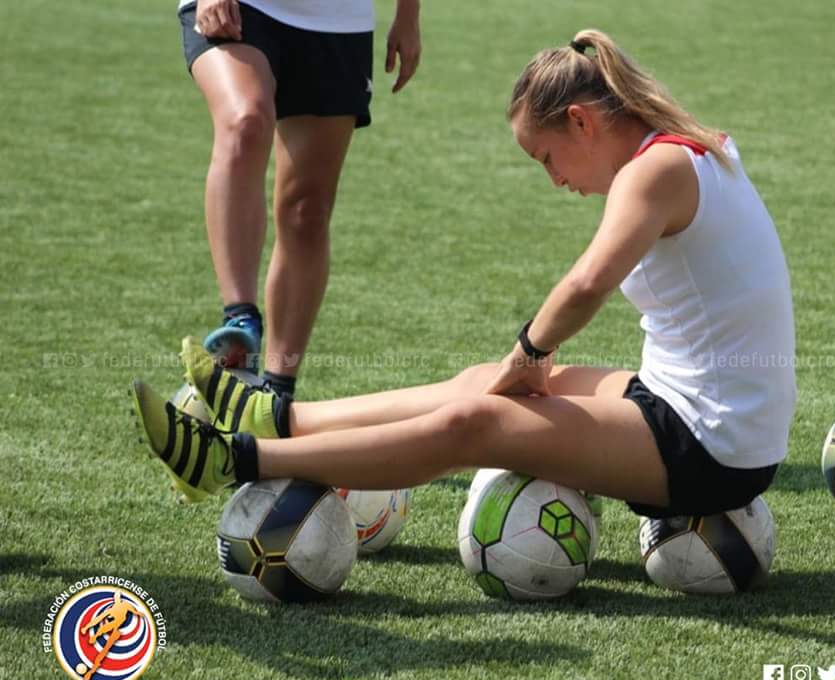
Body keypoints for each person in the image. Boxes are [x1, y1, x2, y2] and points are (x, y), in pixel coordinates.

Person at [133, 29, 796, 520]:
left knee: (473, 424)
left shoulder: (657, 170)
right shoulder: (689, 148)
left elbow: (587, 283)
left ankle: (236, 460)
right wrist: (518, 365)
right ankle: (275, 414)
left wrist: (530, 354)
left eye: (547, 158)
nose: (555, 179)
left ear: (580, 121)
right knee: (481, 383)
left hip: (711, 447)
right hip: (686, 402)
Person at [178, 0, 422, 396]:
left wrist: (408, 16)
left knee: (306, 211)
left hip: (338, 19)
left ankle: (276, 392)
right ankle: (239, 318)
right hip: (246, 6)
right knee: (245, 122)